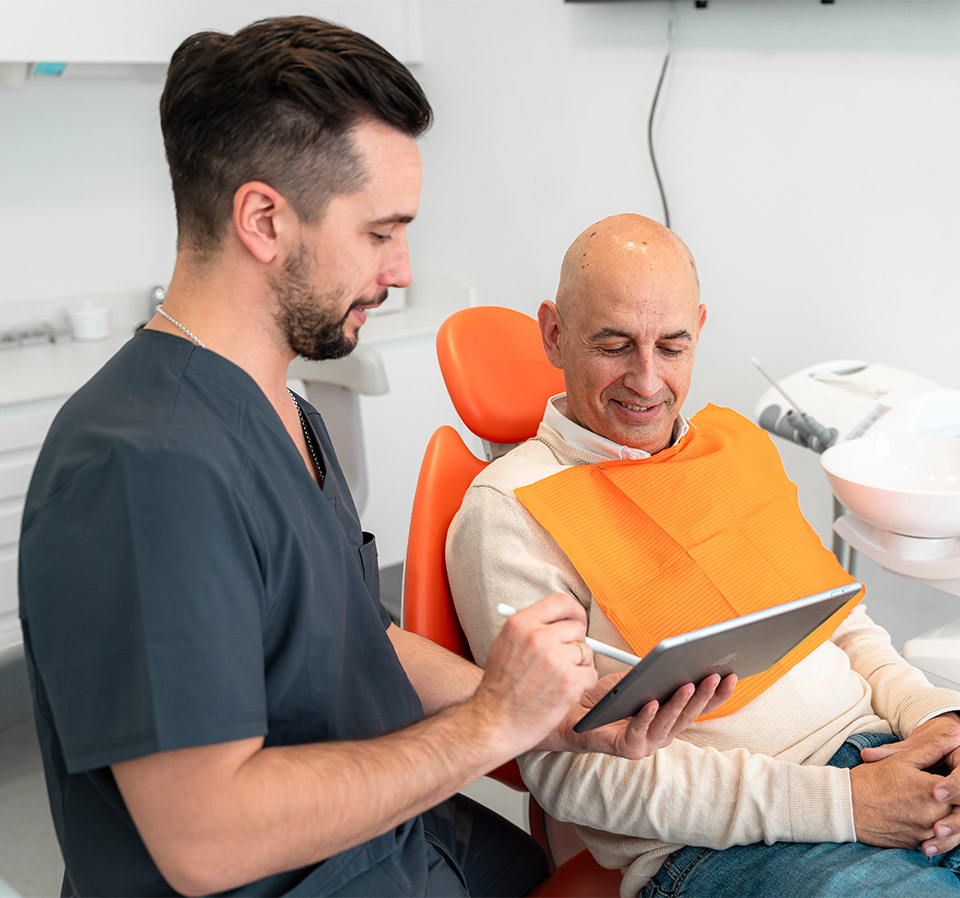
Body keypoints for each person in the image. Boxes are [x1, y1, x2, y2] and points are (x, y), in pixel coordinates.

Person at [16, 21, 734, 898]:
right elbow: (204, 841)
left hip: (407, 849)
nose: (400, 269)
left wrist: (554, 717)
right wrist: (488, 725)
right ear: (263, 220)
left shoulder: (288, 409)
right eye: (380, 232)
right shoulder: (147, 467)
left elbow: (362, 641)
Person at [447, 212, 960, 897]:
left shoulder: (732, 446)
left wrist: (936, 721)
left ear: (700, 331)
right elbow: (570, 773)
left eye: (673, 345)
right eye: (614, 344)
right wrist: (846, 805)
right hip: (726, 845)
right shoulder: (510, 508)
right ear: (554, 332)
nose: (648, 380)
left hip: (886, 752)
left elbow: (841, 623)